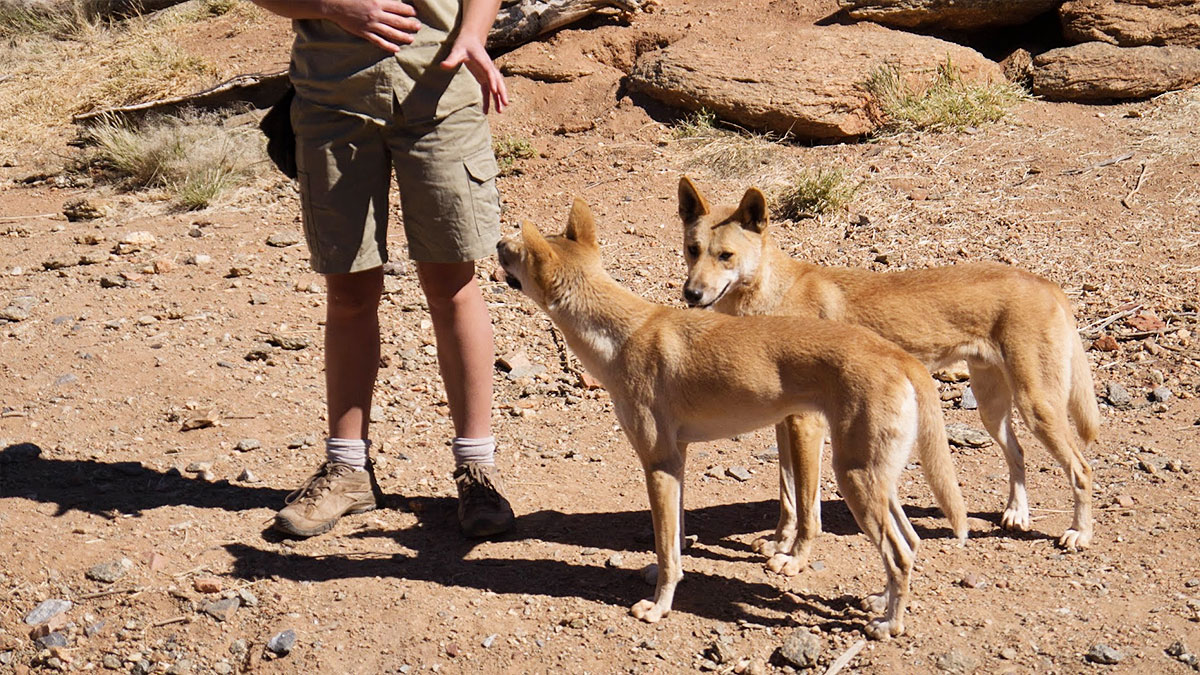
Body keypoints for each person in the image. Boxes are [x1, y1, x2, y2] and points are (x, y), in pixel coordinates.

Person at [249, 0, 515, 538]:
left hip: (441, 98)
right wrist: (334, 8)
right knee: (348, 291)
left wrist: (474, 35)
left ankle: (477, 470)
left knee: (453, 285)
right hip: (333, 101)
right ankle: (348, 470)